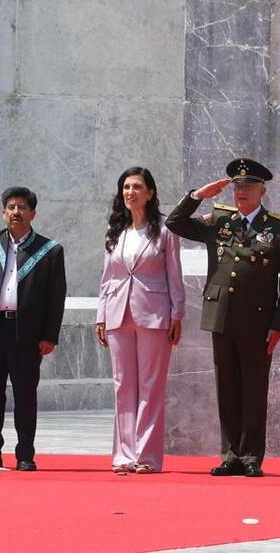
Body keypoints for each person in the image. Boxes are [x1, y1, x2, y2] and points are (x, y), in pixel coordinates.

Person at [166, 158, 280, 478]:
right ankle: (231, 455)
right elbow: (174, 223)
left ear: (262, 191)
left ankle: (251, 455)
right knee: (227, 388)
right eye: (237, 187)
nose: (241, 192)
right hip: (221, 316)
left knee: (254, 388)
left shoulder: (279, 227)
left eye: (248, 187)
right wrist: (197, 195)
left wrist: (279, 324)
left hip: (258, 321)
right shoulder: (219, 221)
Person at [0, 186, 67, 472]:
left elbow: (56, 299)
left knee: (25, 394)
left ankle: (24, 454)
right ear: (3, 212)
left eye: (22, 207)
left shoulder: (49, 251)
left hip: (26, 334)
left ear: (32, 213)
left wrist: (49, 336)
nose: (16, 212)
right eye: (11, 207)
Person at [96, 167, 185, 474]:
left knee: (150, 386)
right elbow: (108, 278)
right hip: (118, 314)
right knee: (123, 385)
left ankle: (146, 456)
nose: (130, 192)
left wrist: (178, 313)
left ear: (150, 193)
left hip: (154, 313)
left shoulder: (164, 229)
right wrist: (101, 315)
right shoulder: (116, 230)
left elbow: (175, 274)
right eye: (126, 187)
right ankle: (123, 455)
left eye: (137, 187)